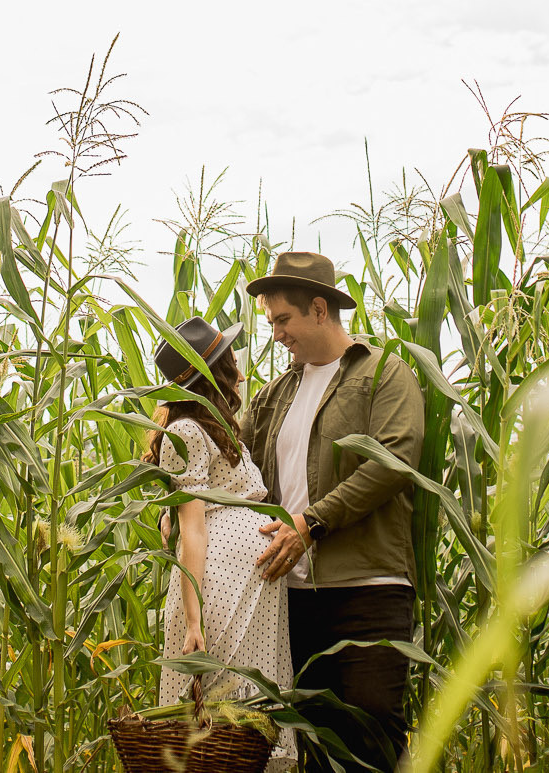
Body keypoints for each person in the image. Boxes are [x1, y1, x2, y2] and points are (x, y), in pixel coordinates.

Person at [243, 252, 425, 773]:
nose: (277, 334)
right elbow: (234, 462)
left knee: (372, 731)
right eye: (272, 321)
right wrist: (175, 475)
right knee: (315, 743)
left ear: (319, 309)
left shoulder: (384, 373)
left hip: (369, 587)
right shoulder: (276, 394)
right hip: (295, 595)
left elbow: (392, 463)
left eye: (283, 319)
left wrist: (310, 523)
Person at [148, 315, 297, 771]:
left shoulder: (216, 426)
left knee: (243, 719)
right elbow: (194, 528)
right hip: (218, 591)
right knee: (219, 720)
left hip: (248, 589)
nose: (237, 360)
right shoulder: (189, 431)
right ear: (215, 371)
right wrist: (193, 620)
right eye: (227, 356)